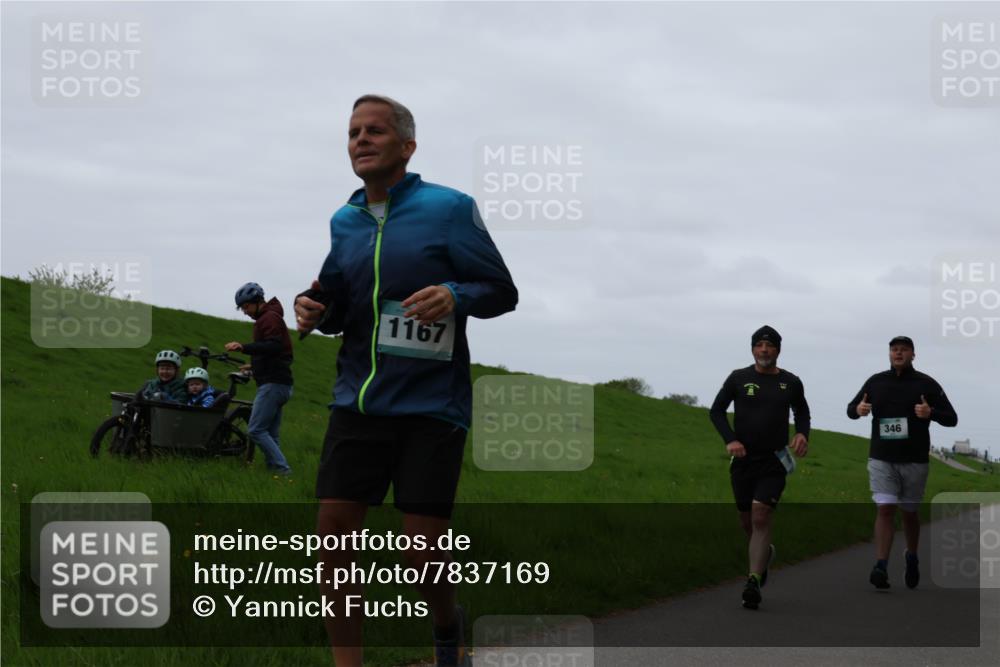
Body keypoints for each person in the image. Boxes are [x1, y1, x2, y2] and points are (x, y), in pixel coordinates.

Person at [295, 94, 517, 666]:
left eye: (374, 131)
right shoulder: (343, 221)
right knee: (333, 540)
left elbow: (501, 290)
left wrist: (455, 295)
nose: (360, 140)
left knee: (421, 554)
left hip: (430, 407)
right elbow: (337, 299)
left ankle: (447, 625)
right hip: (358, 400)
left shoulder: (449, 208)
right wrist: (314, 308)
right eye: (352, 133)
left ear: (407, 146)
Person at [709, 325, 810, 610]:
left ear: (778, 350)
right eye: (759, 345)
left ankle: (753, 580)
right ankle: (764, 554)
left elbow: (801, 411)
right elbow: (716, 411)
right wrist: (730, 440)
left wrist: (802, 433)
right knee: (747, 521)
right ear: (753, 349)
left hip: (774, 460)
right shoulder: (738, 378)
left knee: (761, 515)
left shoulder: (791, 382)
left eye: (770, 346)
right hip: (743, 461)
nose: (764, 350)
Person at [846, 335, 958, 590]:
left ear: (913, 355)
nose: (898, 354)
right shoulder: (876, 382)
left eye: (904, 350)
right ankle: (881, 565)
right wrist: (859, 410)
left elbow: (952, 418)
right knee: (885, 508)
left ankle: (912, 555)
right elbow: (851, 409)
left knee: (909, 513)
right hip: (881, 457)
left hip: (914, 459)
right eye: (894, 350)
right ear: (889, 354)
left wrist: (931, 413)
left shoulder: (926, 384)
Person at [225, 282, 294, 475]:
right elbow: (274, 353)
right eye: (242, 308)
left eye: (246, 306)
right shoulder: (269, 317)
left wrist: (244, 347)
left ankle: (283, 470)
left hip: (273, 384)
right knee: (271, 433)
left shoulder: (269, 318)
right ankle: (274, 473)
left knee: (255, 430)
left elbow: (273, 345)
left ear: (257, 301)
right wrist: (253, 366)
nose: (245, 311)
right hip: (280, 383)